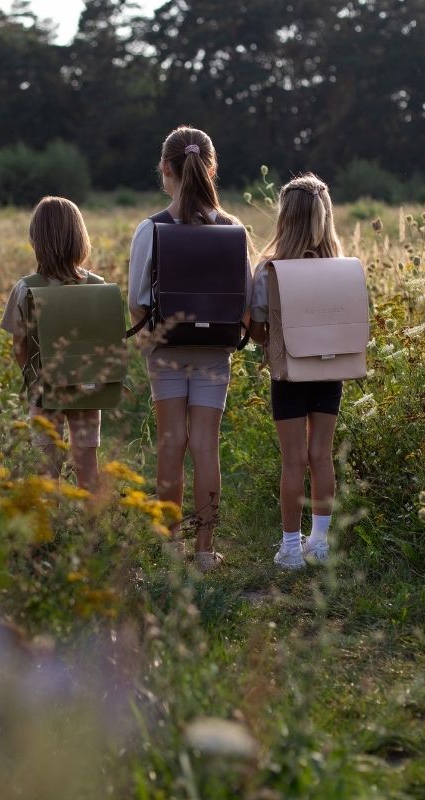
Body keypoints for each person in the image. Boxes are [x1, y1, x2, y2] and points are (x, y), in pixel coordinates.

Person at [128, 126, 250, 572]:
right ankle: (204, 551)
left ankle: (170, 546)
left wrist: (149, 341)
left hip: (168, 350)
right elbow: (247, 299)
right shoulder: (234, 230)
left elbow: (136, 299)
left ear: (166, 170)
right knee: (205, 446)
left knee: (170, 444)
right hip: (215, 351)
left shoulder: (152, 228)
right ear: (212, 169)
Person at [248, 173, 345, 568]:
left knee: (293, 459)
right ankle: (319, 543)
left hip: (288, 373)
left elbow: (257, 329)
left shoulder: (269, 270)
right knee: (322, 454)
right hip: (330, 370)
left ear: (285, 218)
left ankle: (290, 548)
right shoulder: (341, 268)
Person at [0, 196, 105, 490]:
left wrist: (35, 379)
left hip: (43, 389)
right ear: (80, 238)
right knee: (88, 468)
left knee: (46, 470)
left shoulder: (25, 288)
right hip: (86, 390)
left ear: (36, 240)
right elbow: (106, 341)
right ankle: (92, 531)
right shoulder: (98, 286)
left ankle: (45, 531)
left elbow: (18, 346)